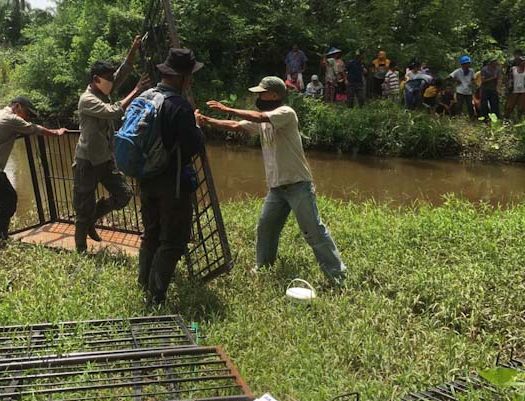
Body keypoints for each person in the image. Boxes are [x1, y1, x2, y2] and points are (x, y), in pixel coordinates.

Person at [196, 76, 346, 283]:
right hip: (277, 188)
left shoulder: (285, 113)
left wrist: (226, 108)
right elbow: (236, 126)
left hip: (297, 184)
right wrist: (207, 120)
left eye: (262, 93)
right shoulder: (264, 121)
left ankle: (337, 275)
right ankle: (264, 267)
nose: (258, 97)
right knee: (266, 228)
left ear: (274, 95)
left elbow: (258, 117)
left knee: (314, 231)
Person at [137, 48, 205, 306]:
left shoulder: (145, 97)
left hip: (146, 178)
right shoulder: (179, 106)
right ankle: (156, 296)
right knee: (173, 240)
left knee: (151, 233)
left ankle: (143, 284)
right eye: (190, 75)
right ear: (181, 77)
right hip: (172, 182)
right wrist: (196, 127)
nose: (192, 80)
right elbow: (192, 146)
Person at [74, 36, 151, 252]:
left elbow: (124, 69)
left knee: (124, 195)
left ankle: (94, 217)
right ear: (96, 79)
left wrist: (134, 47)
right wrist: (136, 90)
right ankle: (80, 248)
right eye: (108, 78)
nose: (112, 80)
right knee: (83, 207)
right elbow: (114, 111)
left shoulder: (104, 90)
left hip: (106, 159)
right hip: (87, 161)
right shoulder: (87, 99)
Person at [0, 97, 67, 241]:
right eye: (27, 113)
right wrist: (56, 133)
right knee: (9, 201)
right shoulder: (12, 119)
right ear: (17, 106)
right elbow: (35, 129)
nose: (27, 118)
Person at [505, 56, 525, 120]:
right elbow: (508, 79)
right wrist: (507, 88)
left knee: (521, 107)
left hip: (523, 90)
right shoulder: (513, 69)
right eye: (522, 61)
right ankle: (506, 119)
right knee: (510, 106)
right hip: (513, 89)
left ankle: (518, 120)